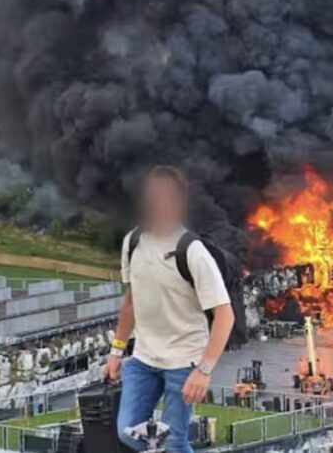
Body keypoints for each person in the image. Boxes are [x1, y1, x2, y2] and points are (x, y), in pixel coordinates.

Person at [105, 166, 235, 453]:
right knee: (127, 432)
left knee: (174, 440)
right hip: (143, 359)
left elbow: (225, 314)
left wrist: (204, 370)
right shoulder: (133, 242)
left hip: (183, 361)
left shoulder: (192, 251)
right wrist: (116, 351)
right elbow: (131, 302)